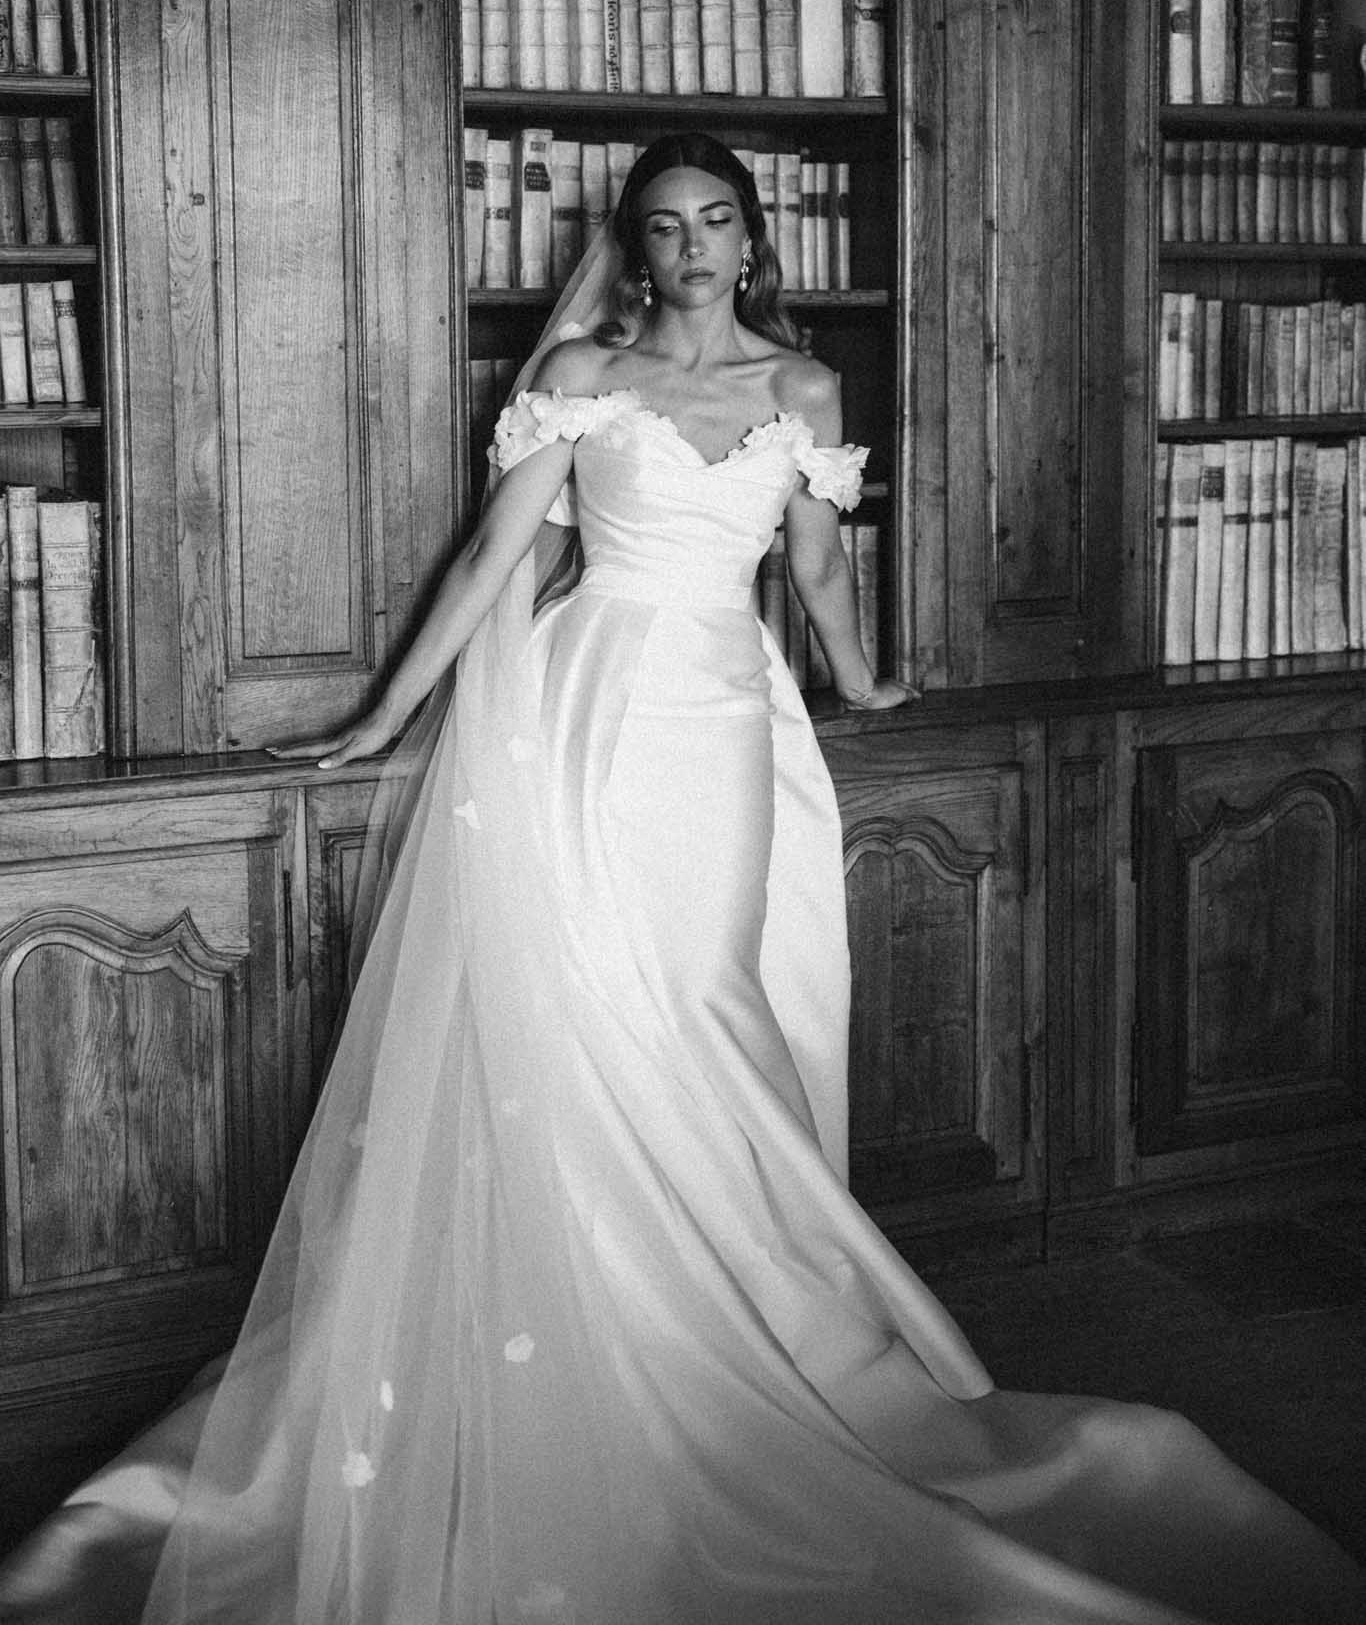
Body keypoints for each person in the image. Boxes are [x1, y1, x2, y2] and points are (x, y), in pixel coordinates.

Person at [1, 133, 1362, 1625]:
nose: (694, 246)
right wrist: (382, 717)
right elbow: (493, 560)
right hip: (585, 704)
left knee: (707, 990)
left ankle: (751, 1315)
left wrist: (864, 680)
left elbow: (817, 565)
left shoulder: (803, 389)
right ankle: (596, 1310)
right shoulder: (583, 376)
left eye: (717, 221)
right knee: (577, 991)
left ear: (751, 239)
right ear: (635, 248)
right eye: (665, 226)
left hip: (726, 712)